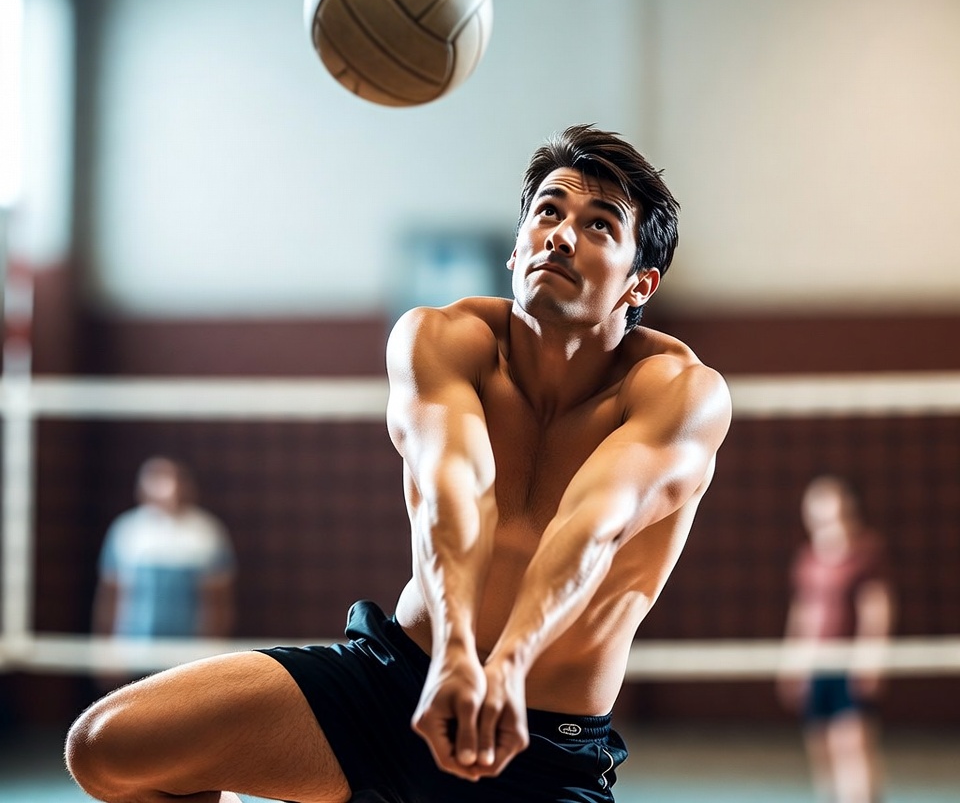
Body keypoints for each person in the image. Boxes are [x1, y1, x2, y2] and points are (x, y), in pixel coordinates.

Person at [66, 125, 731, 803]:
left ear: (638, 282)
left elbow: (591, 526)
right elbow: (454, 495)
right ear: (515, 247)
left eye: (599, 226)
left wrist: (505, 666)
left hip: (542, 749)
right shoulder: (441, 339)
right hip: (398, 684)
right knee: (109, 748)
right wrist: (454, 655)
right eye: (549, 212)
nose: (561, 234)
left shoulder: (680, 392)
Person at [778, 475, 894, 803]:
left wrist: (870, 660)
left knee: (853, 744)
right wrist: (791, 661)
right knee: (822, 746)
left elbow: (877, 608)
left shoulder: (866, 552)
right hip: (816, 664)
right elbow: (802, 612)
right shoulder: (808, 558)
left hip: (848, 662)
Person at [94, 456, 236, 643]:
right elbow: (111, 594)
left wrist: (215, 646)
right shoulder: (126, 529)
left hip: (190, 649)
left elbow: (218, 600)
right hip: (135, 646)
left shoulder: (206, 531)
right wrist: (106, 646)